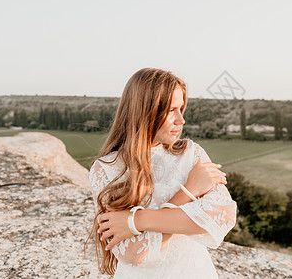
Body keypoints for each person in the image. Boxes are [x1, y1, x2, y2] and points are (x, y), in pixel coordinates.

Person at [87, 68, 237, 278]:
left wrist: (136, 221)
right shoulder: (107, 169)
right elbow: (134, 253)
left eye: (181, 108)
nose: (181, 120)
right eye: (170, 110)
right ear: (144, 111)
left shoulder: (192, 154)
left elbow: (222, 215)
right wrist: (188, 192)